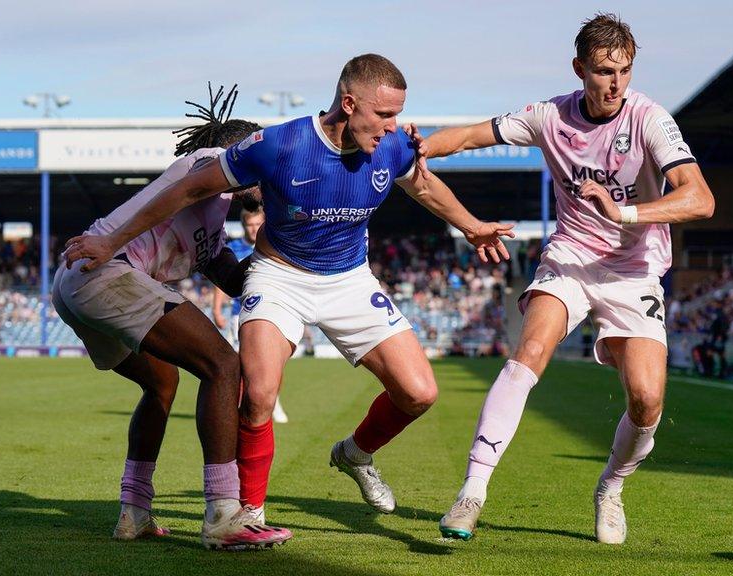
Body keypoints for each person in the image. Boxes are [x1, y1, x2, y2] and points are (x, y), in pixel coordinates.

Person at [62, 54, 514, 527]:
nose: (392, 126)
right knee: (257, 394)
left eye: (397, 114)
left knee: (419, 393)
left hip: (349, 280)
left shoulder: (393, 146)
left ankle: (355, 454)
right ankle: (248, 513)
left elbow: (423, 187)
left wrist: (471, 226)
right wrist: (112, 240)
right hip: (279, 277)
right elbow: (192, 189)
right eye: (383, 115)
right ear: (348, 102)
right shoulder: (279, 145)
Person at [416, 13, 714, 544]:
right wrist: (416, 148)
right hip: (570, 259)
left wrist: (622, 214)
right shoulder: (547, 116)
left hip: (634, 271)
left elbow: (700, 198)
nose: (615, 83)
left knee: (647, 400)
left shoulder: (650, 119)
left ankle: (611, 486)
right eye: (603, 71)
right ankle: (472, 492)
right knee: (529, 350)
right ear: (579, 68)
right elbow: (467, 136)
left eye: (623, 70)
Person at [52, 85, 291, 549]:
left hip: (80, 280)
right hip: (105, 268)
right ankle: (224, 512)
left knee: (162, 383)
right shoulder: (204, 163)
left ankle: (134, 511)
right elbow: (202, 180)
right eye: (263, 166)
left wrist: (286, 241)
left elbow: (236, 281)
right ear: (238, 158)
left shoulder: (214, 211)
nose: (271, 175)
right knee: (223, 365)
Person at [211, 207, 288, 423]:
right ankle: (245, 407)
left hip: (275, 312)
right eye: (250, 225)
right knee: (245, 365)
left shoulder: (275, 245)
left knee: (274, 362)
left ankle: (273, 401)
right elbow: (221, 283)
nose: (254, 229)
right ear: (244, 225)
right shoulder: (234, 248)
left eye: (258, 224)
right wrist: (217, 309)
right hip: (241, 315)